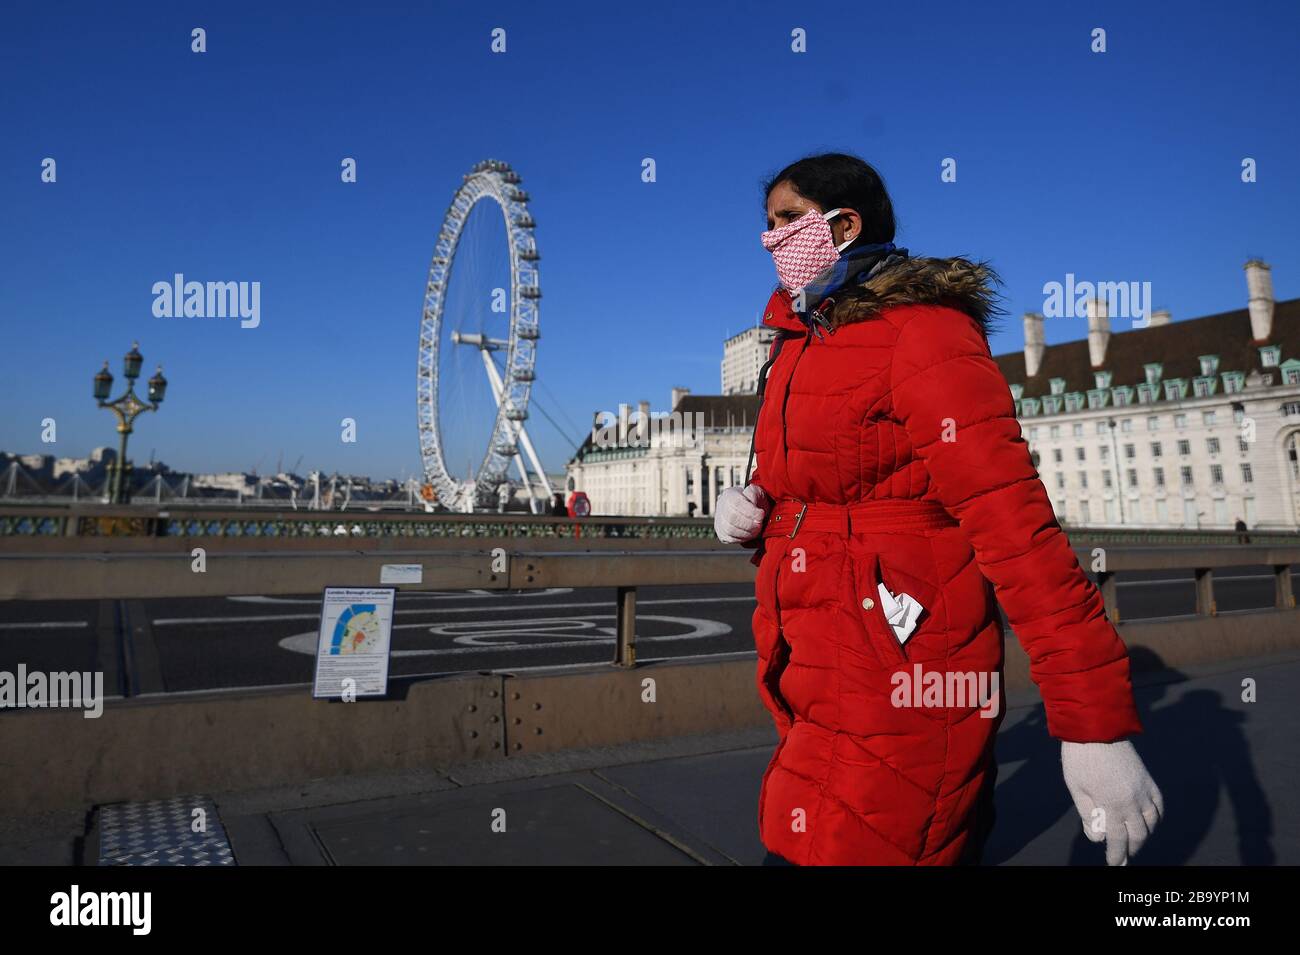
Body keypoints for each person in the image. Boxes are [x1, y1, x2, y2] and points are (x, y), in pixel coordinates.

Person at [715, 153, 1162, 866]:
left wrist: (1093, 723)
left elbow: (1013, 522)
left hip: (904, 667)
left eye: (785, 221)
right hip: (810, 668)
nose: (769, 239)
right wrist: (751, 509)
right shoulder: (799, 346)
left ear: (844, 224)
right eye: (765, 225)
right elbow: (799, 487)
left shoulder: (925, 333)